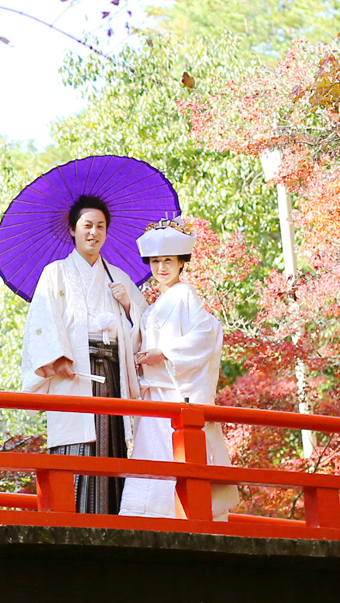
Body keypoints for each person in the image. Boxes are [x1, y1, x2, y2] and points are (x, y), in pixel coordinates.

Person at [20, 194, 147, 513]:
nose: (94, 232)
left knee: (110, 441)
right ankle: (70, 513)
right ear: (73, 230)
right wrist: (56, 357)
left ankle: (112, 514)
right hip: (72, 369)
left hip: (110, 372)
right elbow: (42, 319)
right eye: (87, 225)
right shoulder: (55, 273)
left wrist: (130, 305)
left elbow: (148, 325)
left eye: (101, 226)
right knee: (75, 443)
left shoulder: (118, 277)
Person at [118, 218, 240, 520]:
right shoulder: (159, 302)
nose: (161, 268)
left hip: (174, 393)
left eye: (168, 261)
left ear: (181, 262)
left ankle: (170, 515)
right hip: (156, 396)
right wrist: (130, 308)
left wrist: (166, 353)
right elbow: (147, 332)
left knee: (169, 457)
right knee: (152, 456)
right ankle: (147, 516)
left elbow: (205, 335)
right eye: (156, 261)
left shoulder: (185, 295)